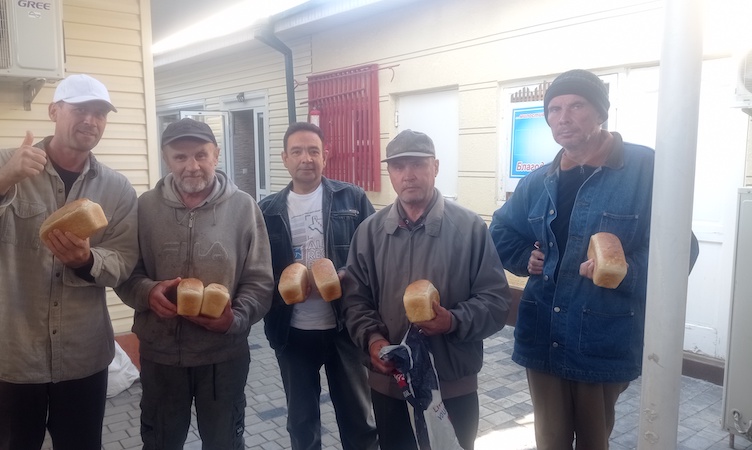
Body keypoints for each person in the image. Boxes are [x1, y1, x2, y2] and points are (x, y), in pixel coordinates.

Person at [490, 69, 698, 450]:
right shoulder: (539, 180)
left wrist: (625, 272)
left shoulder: (646, 170)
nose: (562, 118)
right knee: (549, 442)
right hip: (542, 335)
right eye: (553, 109)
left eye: (576, 106)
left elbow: (682, 248)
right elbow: (501, 230)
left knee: (592, 442)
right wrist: (526, 258)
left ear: (600, 112)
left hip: (600, 338)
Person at [0, 74, 138, 448]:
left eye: (100, 112)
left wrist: (87, 261)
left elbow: (123, 260)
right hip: (9, 353)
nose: (91, 120)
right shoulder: (2, 164)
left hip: (82, 357)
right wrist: (2, 180)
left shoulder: (117, 188)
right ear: (54, 111)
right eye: (80, 108)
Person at [342, 129, 512, 450]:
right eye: (398, 166)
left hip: (452, 387)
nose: (409, 175)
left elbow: (496, 302)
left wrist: (453, 321)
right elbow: (354, 301)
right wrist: (373, 340)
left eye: (418, 164)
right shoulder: (369, 233)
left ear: (435, 166)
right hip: (390, 386)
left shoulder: (470, 228)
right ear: (389, 172)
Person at [115, 118, 273, 449]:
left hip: (223, 357)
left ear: (216, 154)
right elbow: (125, 272)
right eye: (180, 157)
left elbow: (259, 280)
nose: (192, 166)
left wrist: (236, 318)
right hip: (160, 356)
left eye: (201, 155)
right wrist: (147, 292)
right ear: (165, 158)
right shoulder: (144, 208)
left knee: (224, 442)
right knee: (160, 443)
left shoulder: (243, 207)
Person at [258, 122, 378, 450]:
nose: (306, 158)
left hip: (344, 328)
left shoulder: (351, 198)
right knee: (301, 423)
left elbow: (374, 255)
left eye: (313, 151)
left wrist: (346, 276)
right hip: (292, 331)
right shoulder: (266, 210)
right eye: (297, 151)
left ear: (325, 155)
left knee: (359, 420)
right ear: (285, 158)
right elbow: (257, 271)